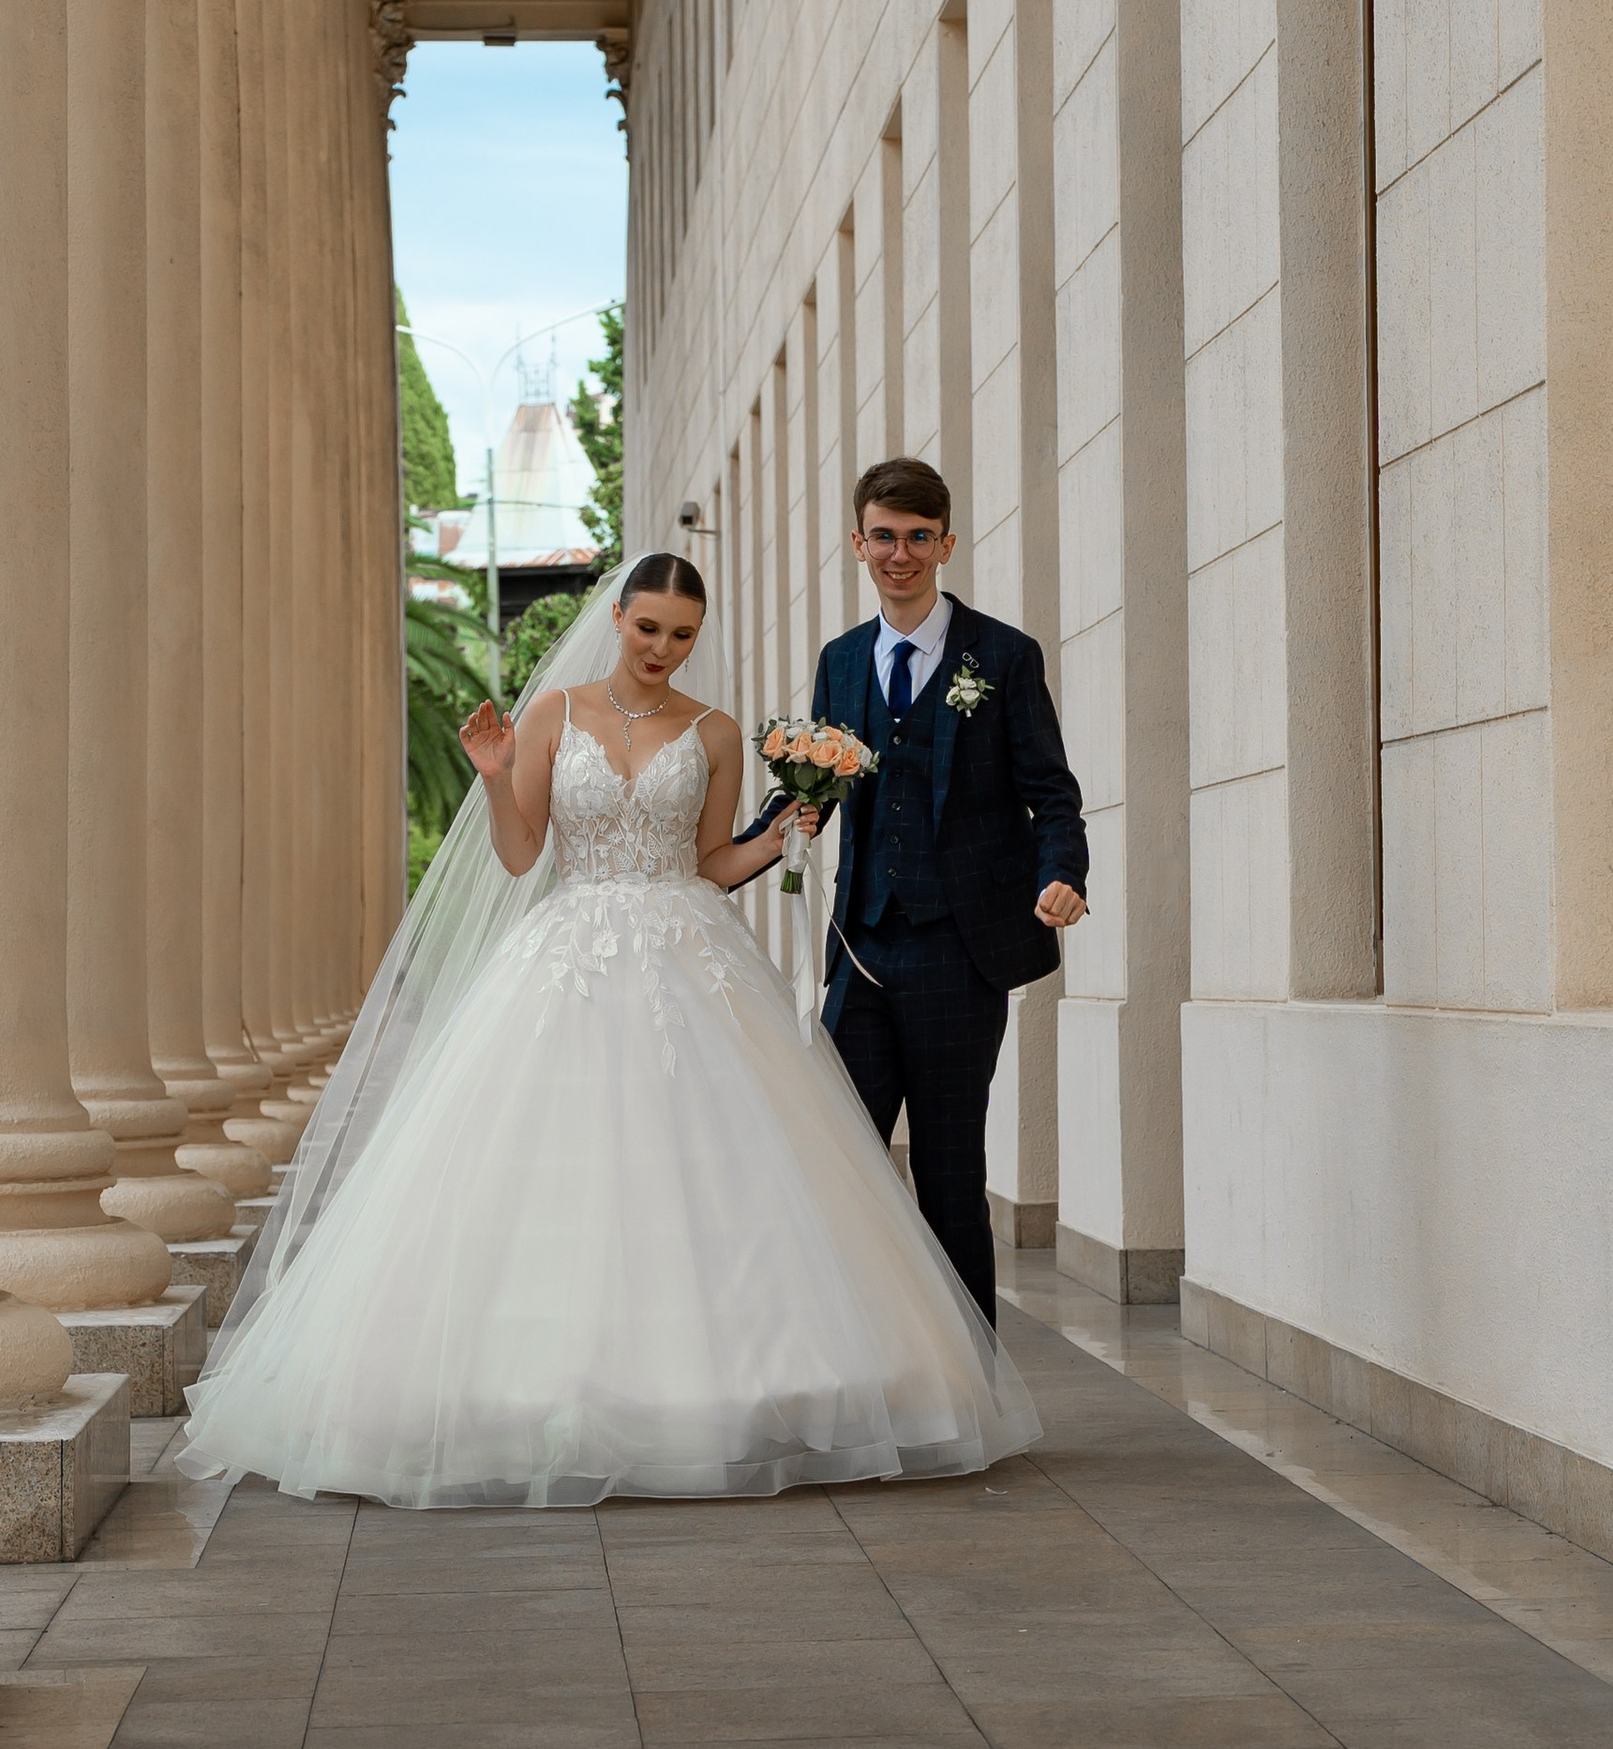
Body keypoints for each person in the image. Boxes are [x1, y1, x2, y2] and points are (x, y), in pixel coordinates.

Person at [177, 553, 1039, 1507]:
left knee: (717, 1169)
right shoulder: (556, 713)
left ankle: (736, 1384)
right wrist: (498, 778)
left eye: (682, 636)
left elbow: (710, 862)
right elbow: (519, 858)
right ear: (618, 618)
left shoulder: (714, 732)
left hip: (689, 956)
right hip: (570, 958)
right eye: (648, 629)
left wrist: (783, 832)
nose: (663, 649)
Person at [810, 459, 1088, 1328]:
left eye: (919, 538)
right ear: (859, 543)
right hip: (863, 948)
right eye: (885, 536)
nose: (901, 554)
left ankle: (971, 1380)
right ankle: (861, 1360)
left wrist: (1063, 871)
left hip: (957, 955)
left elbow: (1052, 789)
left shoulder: (1002, 655)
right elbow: (817, 787)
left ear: (947, 544)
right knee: (837, 1162)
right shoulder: (842, 660)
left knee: (949, 1175)